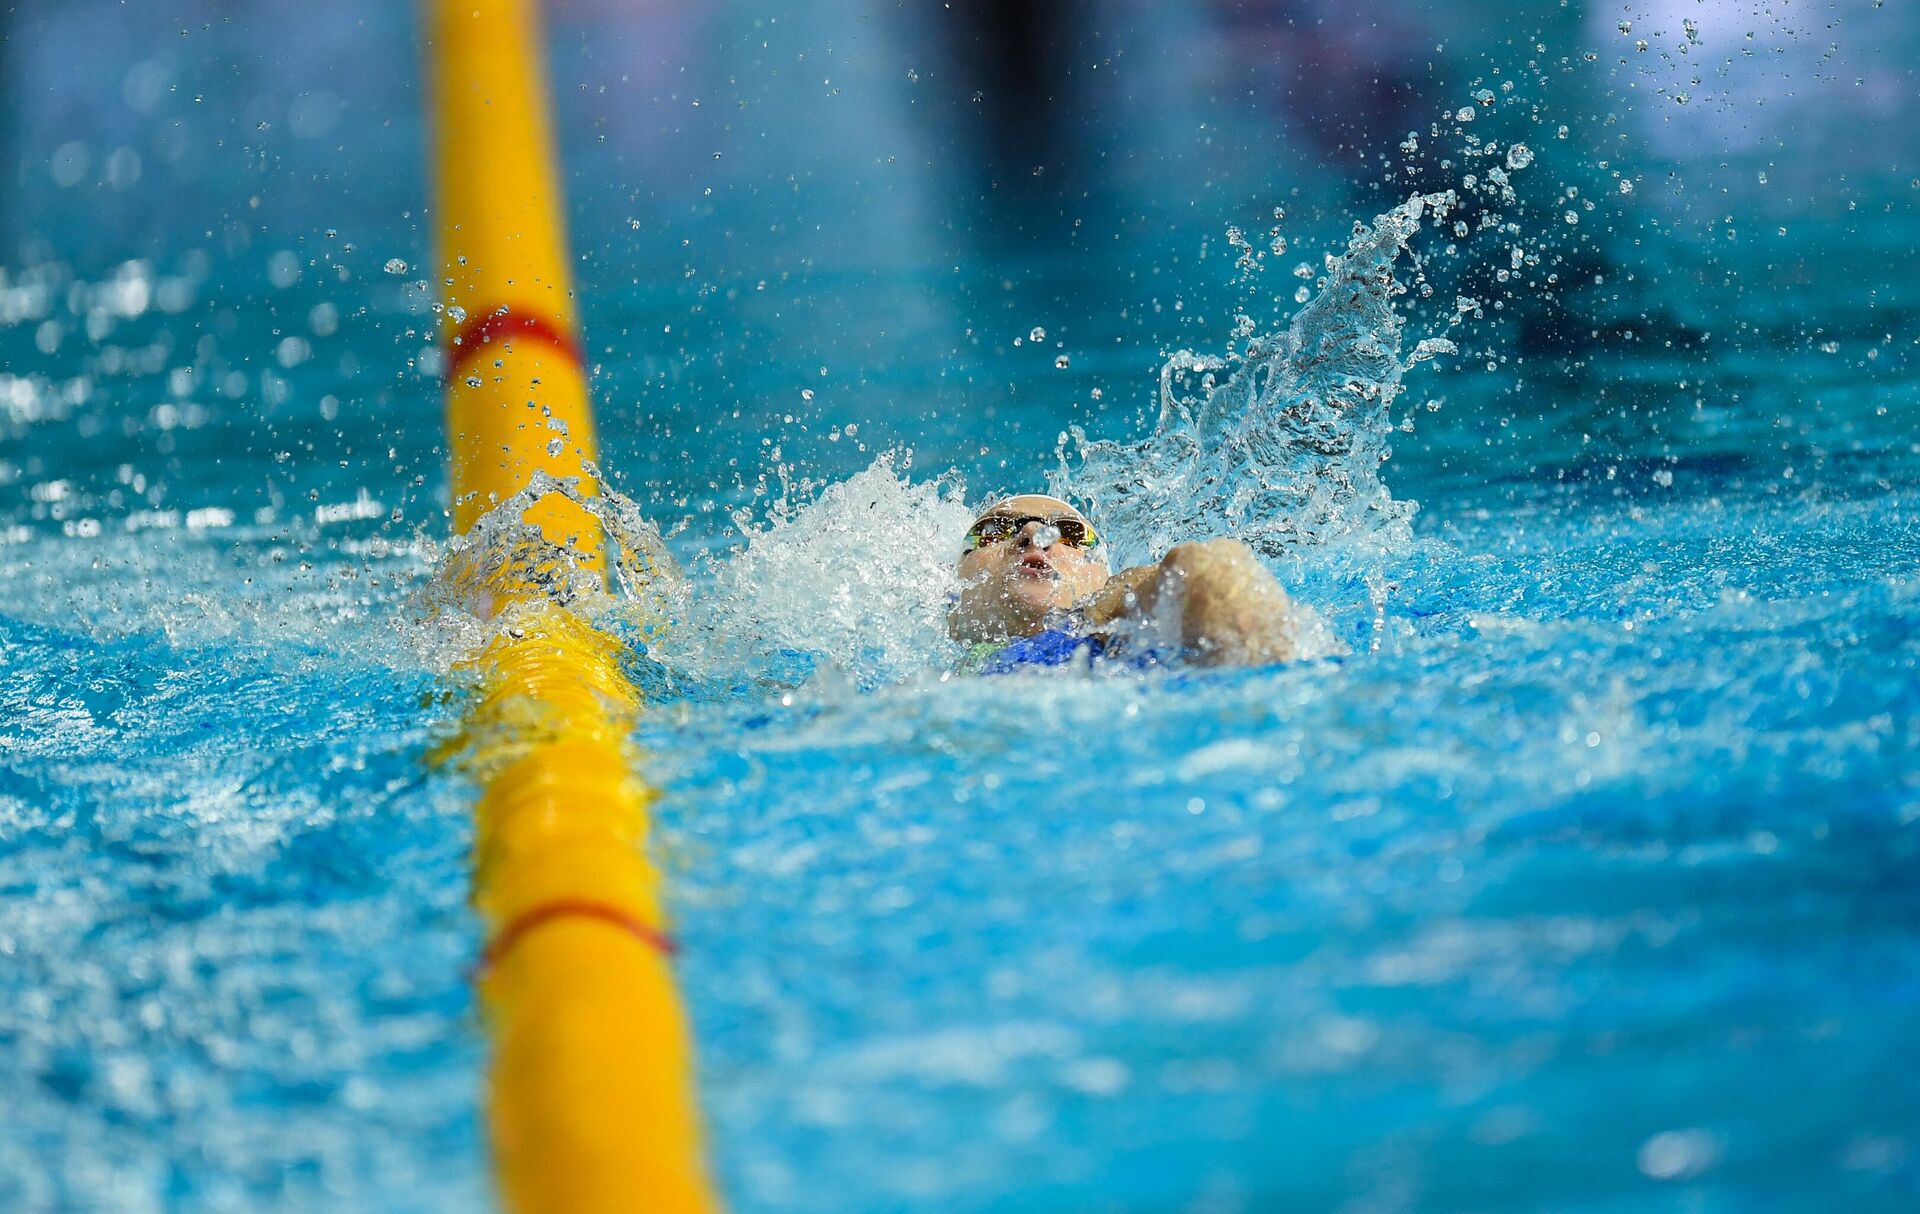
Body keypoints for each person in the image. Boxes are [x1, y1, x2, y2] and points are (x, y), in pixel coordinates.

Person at [948, 493, 1300, 672]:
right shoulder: (923, 678)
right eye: (993, 531)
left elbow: (1209, 577)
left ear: (1101, 574)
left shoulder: (1113, 637)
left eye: (1069, 532)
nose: (1033, 533)